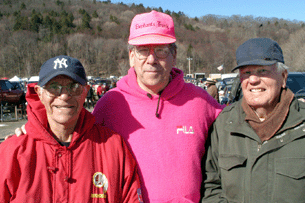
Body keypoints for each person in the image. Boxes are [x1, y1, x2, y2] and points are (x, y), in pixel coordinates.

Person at [93, 10, 224, 202]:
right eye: (143, 50)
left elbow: (238, 132)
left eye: (160, 50)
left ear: (174, 55)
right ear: (131, 56)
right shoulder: (109, 104)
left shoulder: (200, 101)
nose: (151, 59)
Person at [0, 55, 142, 202]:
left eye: (73, 87)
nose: (64, 95)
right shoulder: (13, 152)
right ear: (39, 93)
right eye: (54, 87)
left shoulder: (113, 147)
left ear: (85, 91)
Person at [202, 38, 305, 202]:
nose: (253, 80)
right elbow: (211, 188)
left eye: (262, 71)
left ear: (283, 77)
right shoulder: (223, 125)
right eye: (246, 73)